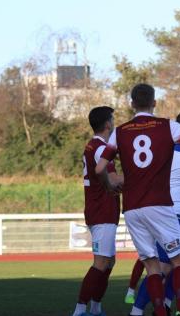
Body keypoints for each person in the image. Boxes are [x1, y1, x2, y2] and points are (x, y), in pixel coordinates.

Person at [96, 84, 180, 316]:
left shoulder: (120, 131)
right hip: (160, 204)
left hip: (132, 208)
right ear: (154, 102)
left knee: (152, 267)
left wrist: (110, 185)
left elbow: (100, 167)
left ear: (131, 104)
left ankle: (159, 310)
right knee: (179, 261)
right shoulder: (166, 125)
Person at [72, 106, 122, 316]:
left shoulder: (93, 146)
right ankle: (80, 309)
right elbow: (112, 180)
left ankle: (95, 307)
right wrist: (142, 176)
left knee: (109, 261)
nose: (114, 122)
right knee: (101, 262)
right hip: (102, 209)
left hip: (102, 209)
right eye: (112, 119)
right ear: (108, 124)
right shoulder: (101, 148)